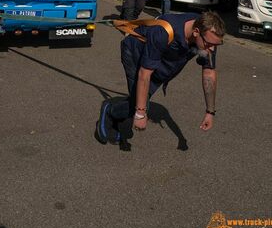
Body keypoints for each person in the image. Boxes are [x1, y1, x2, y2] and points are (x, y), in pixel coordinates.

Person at [95, 11, 225, 145]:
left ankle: (121, 112)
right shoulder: (164, 32)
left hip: (160, 63)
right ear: (196, 32)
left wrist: (210, 111)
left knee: (140, 100)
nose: (212, 49)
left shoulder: (209, 38)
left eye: (217, 45)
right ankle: (109, 110)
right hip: (135, 55)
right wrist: (140, 113)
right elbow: (144, 74)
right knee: (139, 104)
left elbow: (209, 74)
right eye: (209, 44)